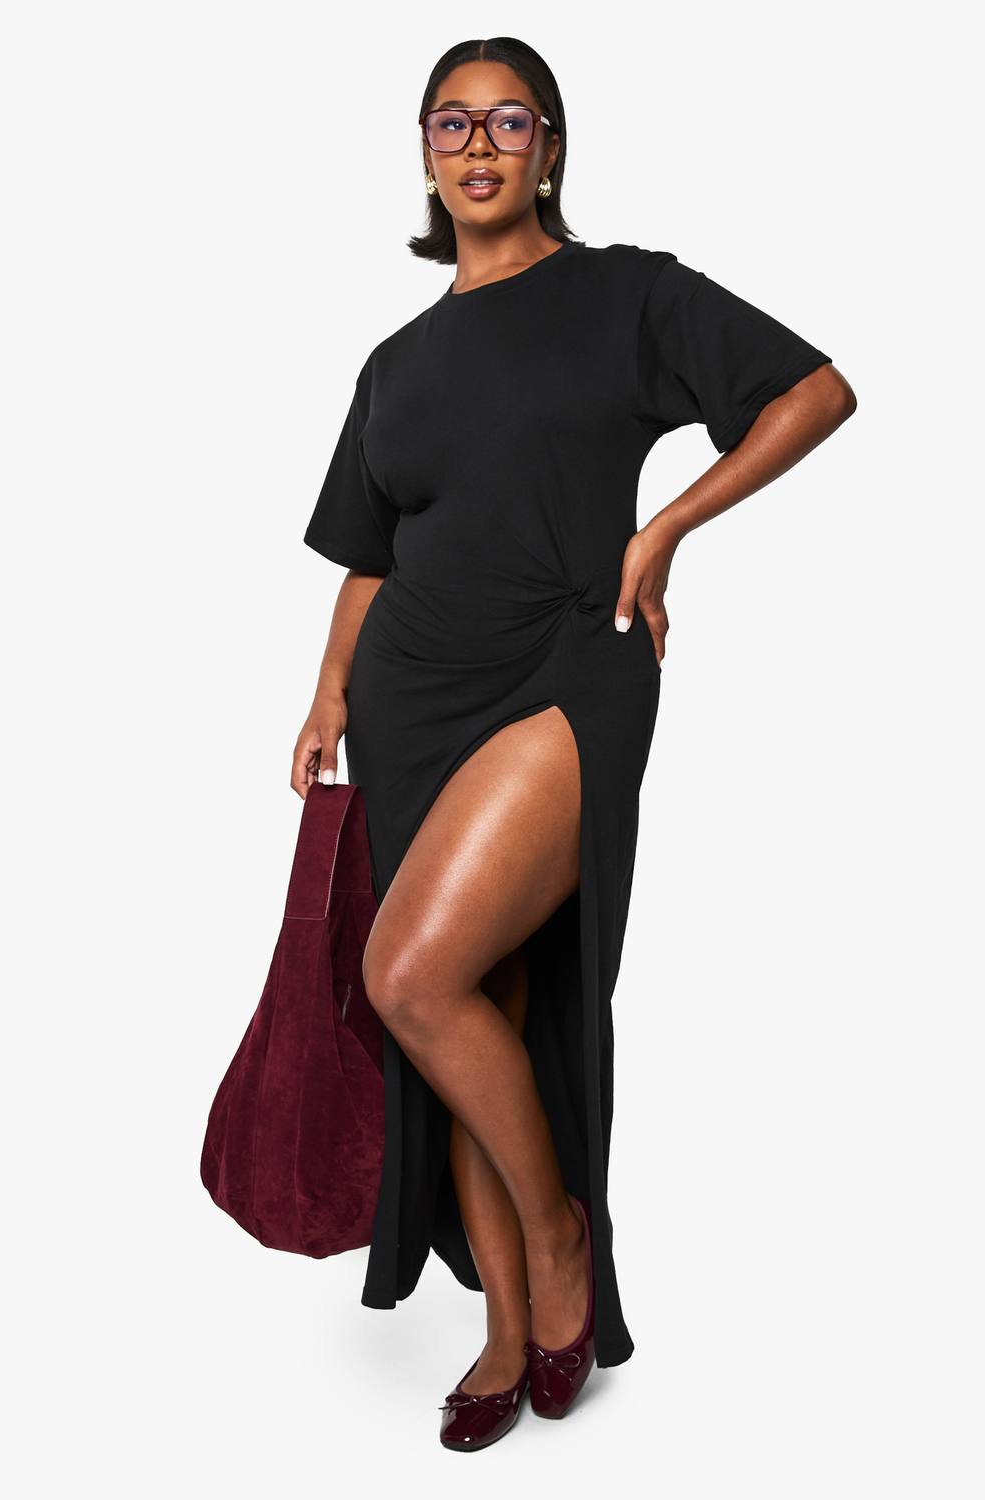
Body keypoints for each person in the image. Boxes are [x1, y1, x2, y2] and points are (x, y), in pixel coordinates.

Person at [292, 36, 856, 1453]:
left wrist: (665, 528)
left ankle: (559, 1239)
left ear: (551, 147)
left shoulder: (626, 293)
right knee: (469, 996)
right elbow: (371, 554)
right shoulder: (394, 363)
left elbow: (813, 390)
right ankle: (504, 1325)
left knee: (412, 972)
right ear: (425, 156)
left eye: (509, 121)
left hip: (563, 666)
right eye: (451, 124)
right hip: (414, 698)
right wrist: (326, 692)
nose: (478, 146)